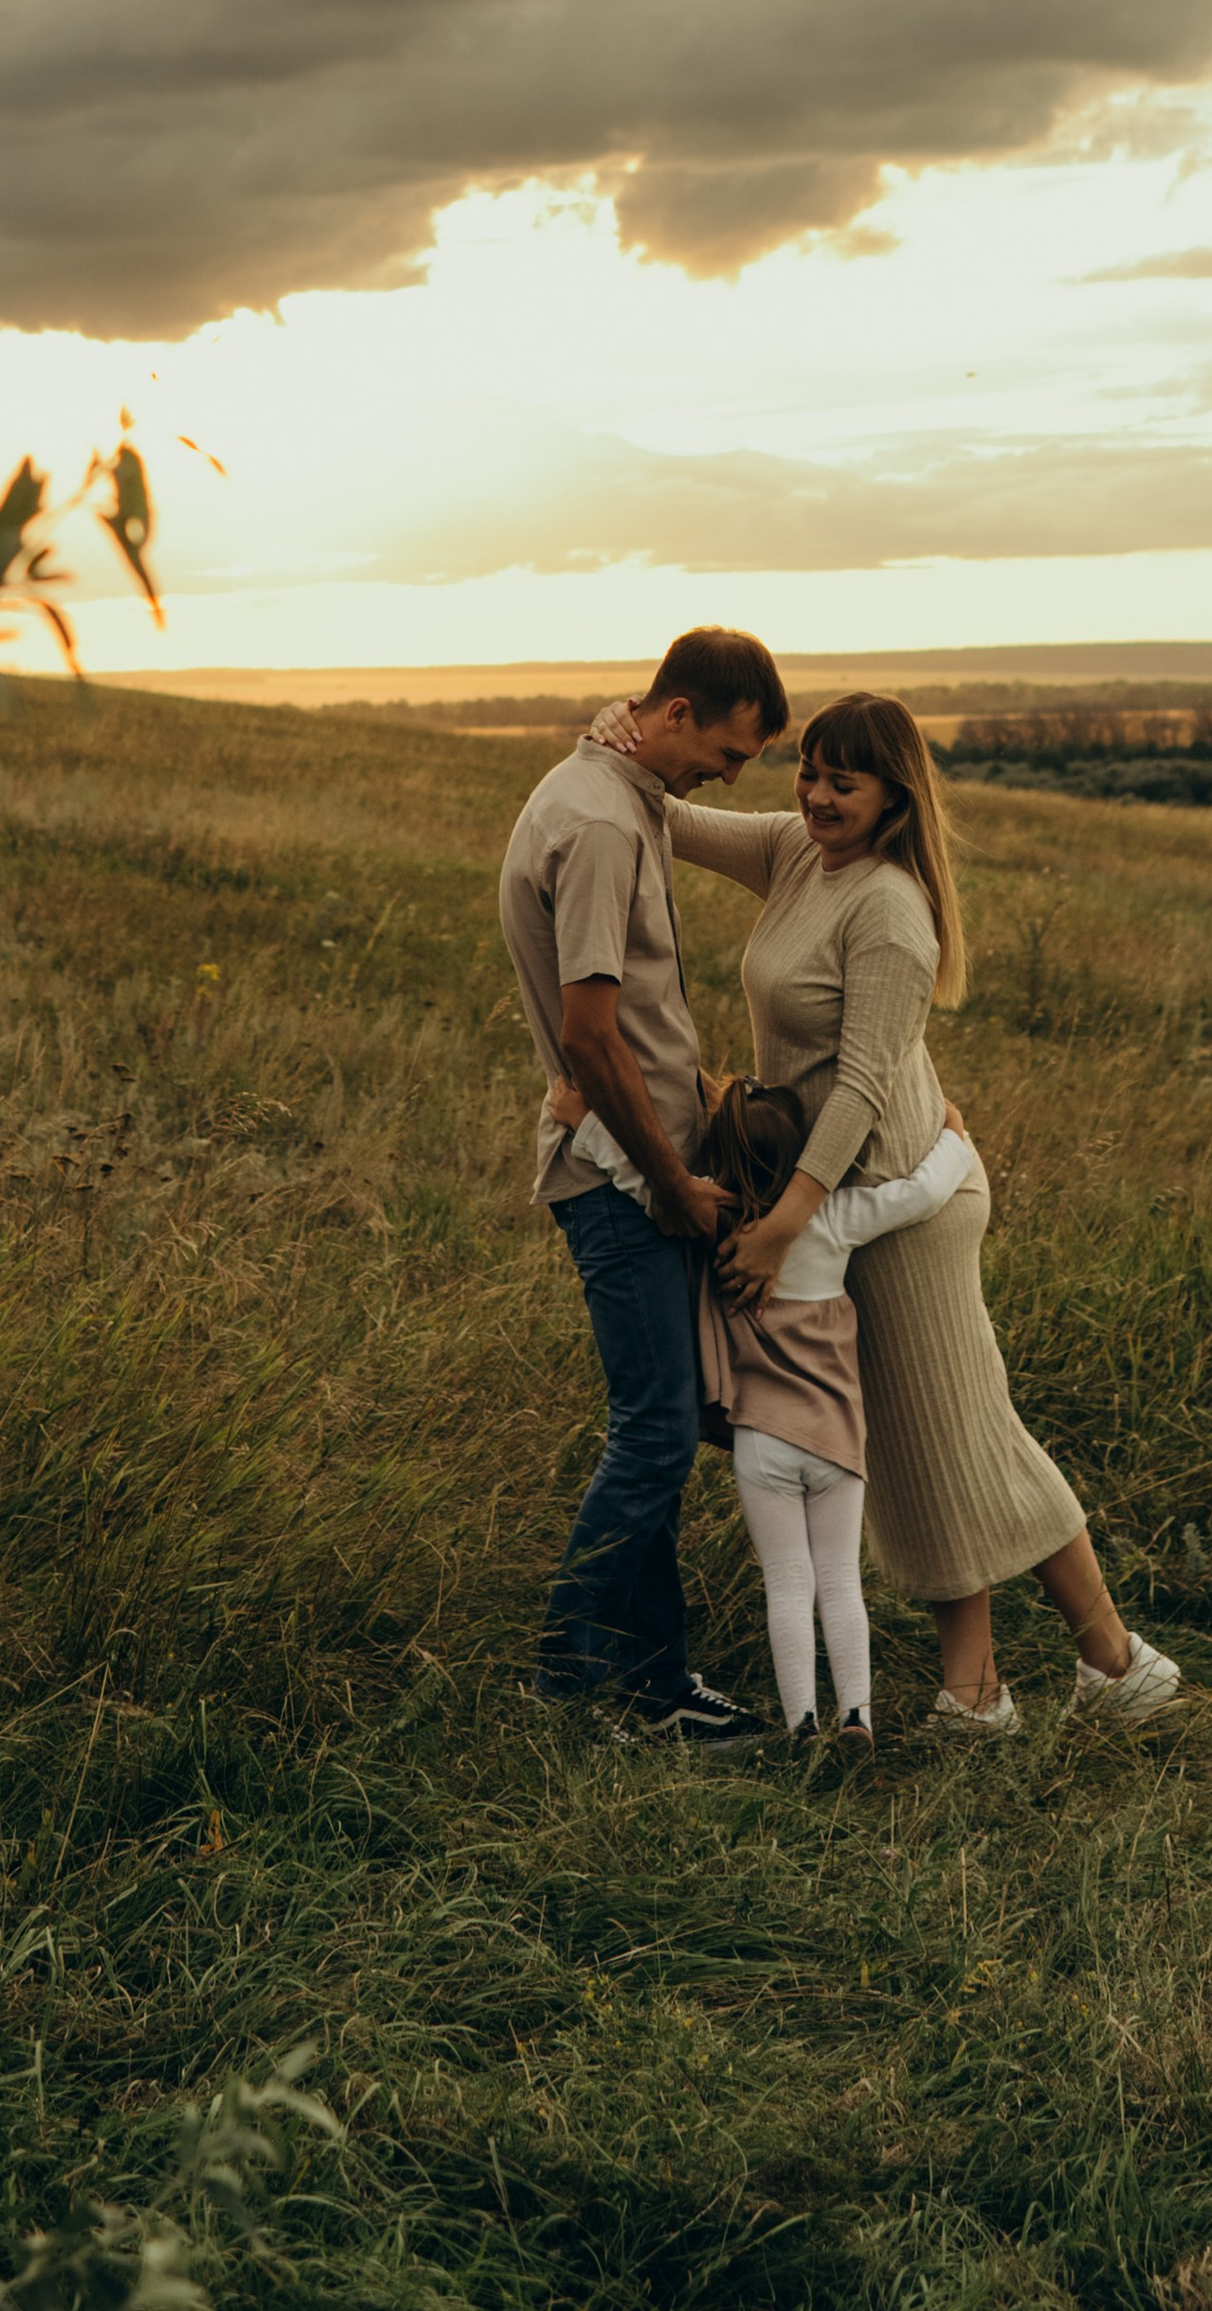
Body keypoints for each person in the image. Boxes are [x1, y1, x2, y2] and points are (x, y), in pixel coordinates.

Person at [598, 687, 1179, 1737]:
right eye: (808, 771)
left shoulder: (890, 911)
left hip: (896, 1199)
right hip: (838, 1196)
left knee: (945, 1434)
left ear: (894, 799)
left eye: (844, 782)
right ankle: (1078, 1668)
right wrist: (618, 736)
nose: (816, 796)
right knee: (936, 1436)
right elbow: (663, 813)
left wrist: (787, 1224)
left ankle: (1033, 1679)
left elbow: (863, 1089)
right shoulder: (795, 853)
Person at [497, 623, 788, 1744]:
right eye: (730, 751)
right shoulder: (601, 822)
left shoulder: (620, 793)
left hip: (642, 1168)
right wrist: (671, 1185)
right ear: (675, 715)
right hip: (621, 1179)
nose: (731, 775)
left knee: (662, 1429)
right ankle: (570, 1685)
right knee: (655, 1436)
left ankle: (656, 1684)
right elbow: (589, 1034)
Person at [551, 1065, 978, 1756]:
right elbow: (920, 1194)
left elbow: (642, 1184)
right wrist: (955, 1137)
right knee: (839, 1581)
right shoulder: (833, 1217)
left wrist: (585, 1125)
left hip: (761, 1441)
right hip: (835, 1437)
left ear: (718, 1156)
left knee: (786, 1584)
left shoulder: (716, 1224)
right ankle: (857, 1718)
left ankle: (800, 1726)